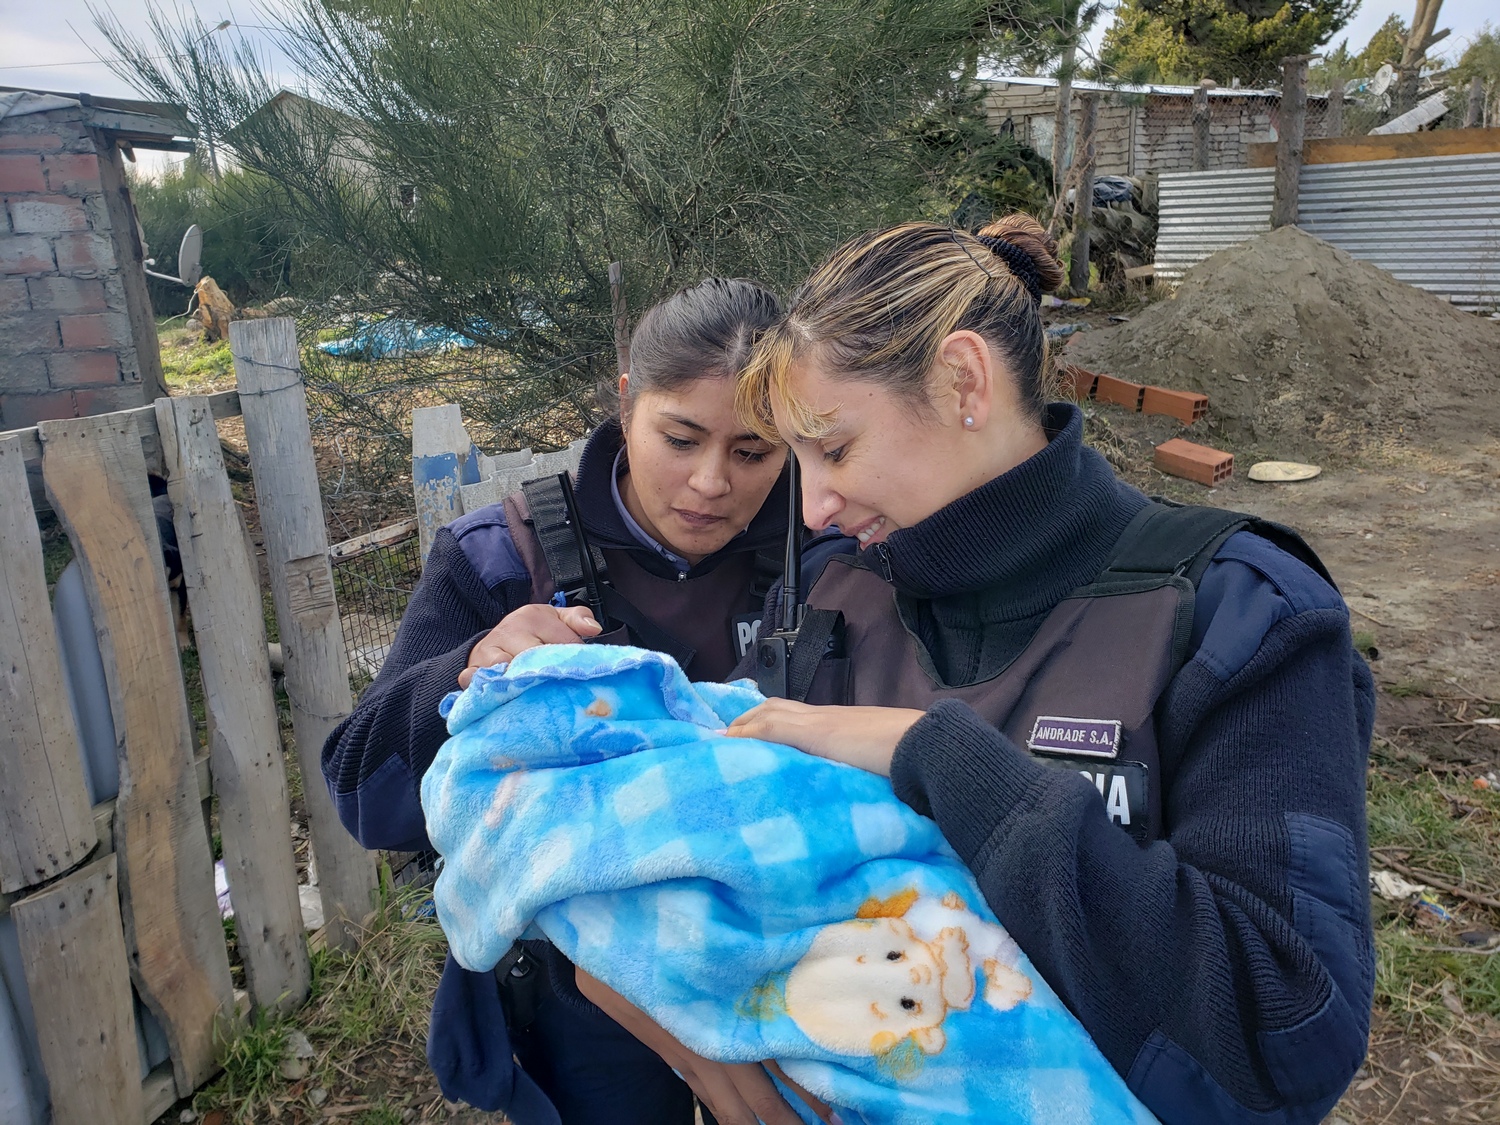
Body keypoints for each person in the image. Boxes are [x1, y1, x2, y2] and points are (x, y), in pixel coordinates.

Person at [577, 216, 1377, 1125]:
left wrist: (939, 755)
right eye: (794, 459)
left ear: (965, 380)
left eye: (833, 448)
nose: (816, 503)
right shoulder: (834, 602)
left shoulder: (1237, 611)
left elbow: (1289, 1027)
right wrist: (647, 983)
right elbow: (727, 869)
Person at [322, 277, 819, 1125]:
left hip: (786, 968)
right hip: (577, 992)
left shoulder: (828, 558)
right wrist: (464, 670)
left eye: (753, 452)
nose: (710, 483)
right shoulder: (499, 559)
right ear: (627, 402)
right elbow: (362, 793)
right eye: (682, 437)